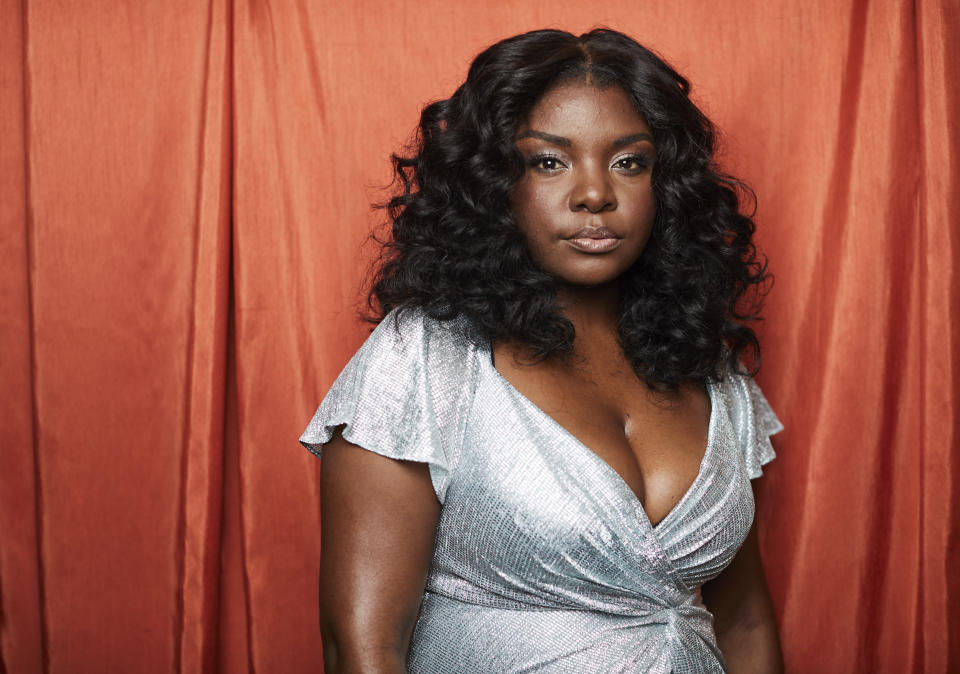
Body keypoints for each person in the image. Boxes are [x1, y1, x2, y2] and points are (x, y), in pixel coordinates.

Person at [300, 27, 784, 673]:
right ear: (495, 182)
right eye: (550, 161)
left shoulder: (713, 372)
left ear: (665, 186)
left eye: (628, 161)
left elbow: (746, 622)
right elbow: (362, 648)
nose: (594, 194)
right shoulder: (427, 359)